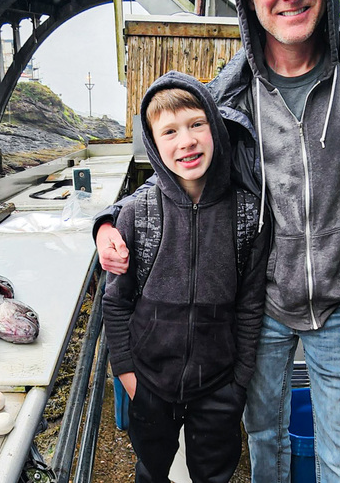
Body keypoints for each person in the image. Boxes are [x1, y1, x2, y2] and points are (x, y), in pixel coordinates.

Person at [96, 0, 340, 483]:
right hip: (261, 306)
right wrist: (106, 220)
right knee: (264, 440)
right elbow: (180, 177)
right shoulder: (229, 93)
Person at [102, 71, 269, 483]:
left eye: (197, 124)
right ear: (155, 146)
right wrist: (127, 374)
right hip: (150, 384)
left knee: (214, 474)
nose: (186, 141)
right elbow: (115, 301)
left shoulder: (248, 213)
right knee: (151, 469)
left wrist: (239, 382)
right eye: (170, 131)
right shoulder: (135, 213)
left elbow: (250, 304)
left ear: (215, 127)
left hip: (219, 386)